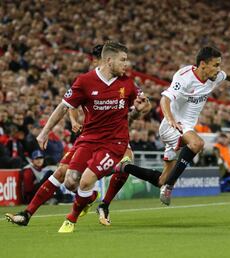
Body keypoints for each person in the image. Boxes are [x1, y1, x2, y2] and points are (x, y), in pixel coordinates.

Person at [120, 46, 230, 206]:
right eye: (216, 65)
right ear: (203, 64)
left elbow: (227, 75)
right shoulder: (184, 77)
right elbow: (164, 99)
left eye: (219, 65)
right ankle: (170, 186)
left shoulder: (214, 77)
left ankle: (125, 168)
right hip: (172, 126)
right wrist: (170, 119)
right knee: (197, 143)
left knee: (161, 179)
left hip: (184, 128)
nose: (219, 69)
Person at [34, 41, 149, 233]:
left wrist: (141, 109)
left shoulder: (128, 83)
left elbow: (141, 109)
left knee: (87, 180)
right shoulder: (85, 81)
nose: (126, 65)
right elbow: (64, 106)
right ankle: (89, 198)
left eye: (127, 60)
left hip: (115, 141)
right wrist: (44, 132)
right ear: (109, 60)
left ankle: (72, 219)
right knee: (71, 181)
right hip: (90, 139)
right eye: (123, 60)